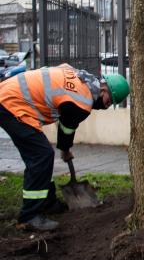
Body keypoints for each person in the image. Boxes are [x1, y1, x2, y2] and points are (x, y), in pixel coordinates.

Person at [0, 64, 129, 231]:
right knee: (41, 156)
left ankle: (48, 202)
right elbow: (67, 128)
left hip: (10, 94)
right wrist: (65, 150)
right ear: (103, 89)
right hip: (12, 103)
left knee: (40, 157)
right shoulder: (83, 100)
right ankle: (29, 216)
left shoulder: (78, 76)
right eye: (108, 101)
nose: (105, 106)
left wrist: (64, 148)